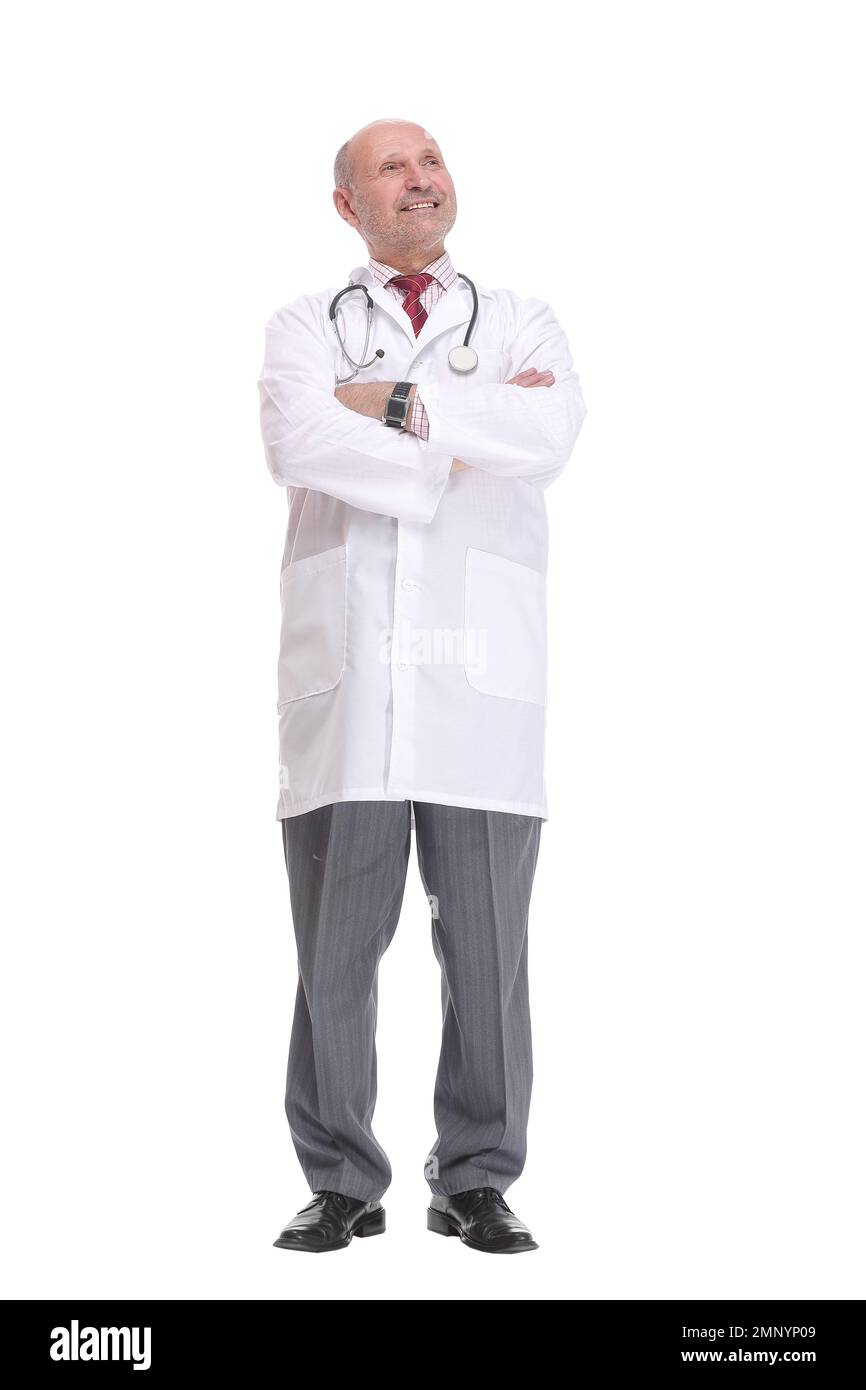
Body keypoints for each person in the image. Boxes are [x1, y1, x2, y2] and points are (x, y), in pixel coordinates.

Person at [257, 118, 587, 1253]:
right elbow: (300, 442)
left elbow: (546, 433)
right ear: (347, 203)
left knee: (488, 955)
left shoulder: (519, 320)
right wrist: (461, 433)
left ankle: (477, 1177)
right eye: (391, 167)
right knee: (332, 956)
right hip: (346, 692)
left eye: (431, 160)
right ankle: (340, 1178)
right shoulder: (305, 327)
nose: (419, 178)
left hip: (478, 690)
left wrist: (392, 405)